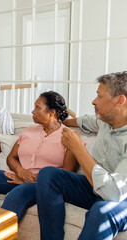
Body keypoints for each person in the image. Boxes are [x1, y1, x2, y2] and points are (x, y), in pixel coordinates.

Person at [36, 72, 127, 239]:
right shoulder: (105, 121)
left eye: (99, 96)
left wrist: (78, 148)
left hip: (121, 197)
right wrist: (58, 122)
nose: (93, 101)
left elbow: (113, 193)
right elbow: (82, 121)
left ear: (119, 100)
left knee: (102, 211)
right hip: (94, 187)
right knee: (48, 174)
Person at [0, 91, 79, 222]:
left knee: (17, 194)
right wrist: (21, 172)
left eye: (37, 108)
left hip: (43, 185)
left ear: (52, 112)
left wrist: (33, 180)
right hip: (18, 176)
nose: (32, 111)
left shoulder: (69, 137)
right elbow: (11, 157)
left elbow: (67, 174)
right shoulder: (29, 131)